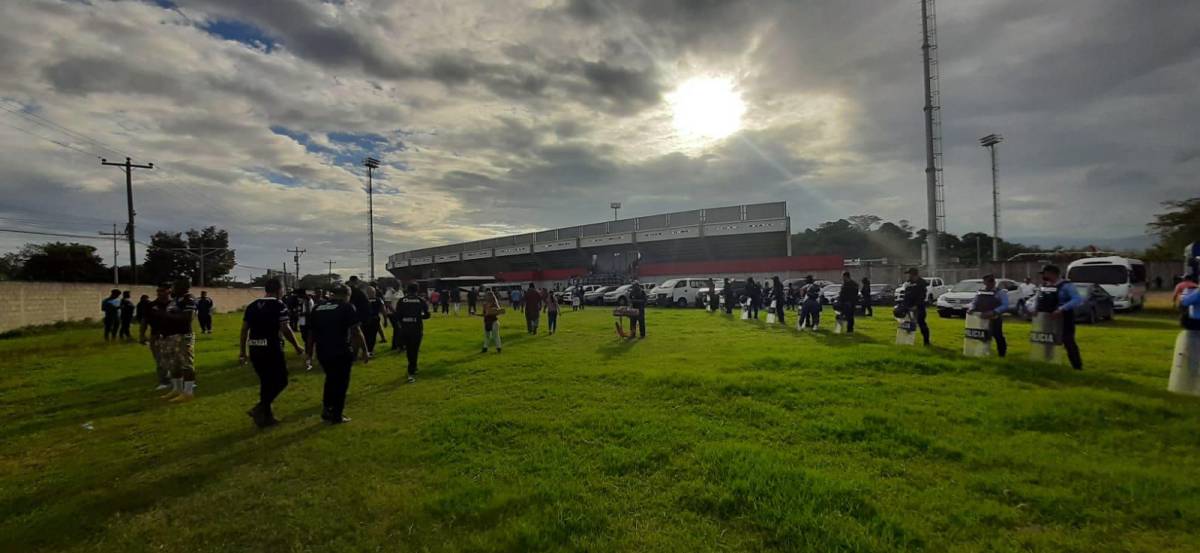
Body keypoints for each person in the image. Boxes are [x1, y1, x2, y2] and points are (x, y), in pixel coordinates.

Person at [239, 278, 304, 428]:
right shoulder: (278, 304)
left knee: (266, 382)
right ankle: (260, 407)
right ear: (279, 290)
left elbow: (244, 330)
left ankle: (266, 418)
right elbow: (285, 328)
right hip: (271, 347)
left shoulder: (252, 306)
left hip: (254, 347)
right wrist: (297, 346)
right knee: (282, 380)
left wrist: (242, 351)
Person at [305, 284, 368, 424]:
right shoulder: (347, 307)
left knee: (330, 379)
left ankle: (327, 409)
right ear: (347, 294)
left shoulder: (318, 307)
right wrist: (365, 350)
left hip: (322, 351)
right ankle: (337, 415)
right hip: (341, 350)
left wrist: (309, 353)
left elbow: (311, 334)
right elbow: (356, 331)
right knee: (341, 383)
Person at [1031, 264, 1084, 370]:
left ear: (1052, 273)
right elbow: (1038, 299)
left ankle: (1077, 366)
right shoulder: (1044, 286)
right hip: (1046, 317)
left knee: (1068, 342)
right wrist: (1034, 308)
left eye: (1044, 273)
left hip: (1064, 317)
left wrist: (1062, 309)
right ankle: (1048, 362)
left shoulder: (1067, 285)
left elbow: (1077, 299)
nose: (1043, 276)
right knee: (1047, 340)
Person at [159, 280, 198, 401]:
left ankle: (188, 392)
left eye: (174, 287)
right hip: (171, 336)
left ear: (182, 287)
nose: (172, 289)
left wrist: (167, 316)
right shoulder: (175, 300)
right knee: (174, 364)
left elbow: (187, 318)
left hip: (183, 335)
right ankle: (177, 389)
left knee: (186, 364)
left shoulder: (188, 299)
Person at [394, 284, 431, 383]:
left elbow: (397, 316)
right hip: (416, 328)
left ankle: (412, 366)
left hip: (405, 328)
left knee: (409, 349)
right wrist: (419, 317)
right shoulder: (420, 300)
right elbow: (427, 315)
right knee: (414, 349)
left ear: (407, 290)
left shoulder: (401, 301)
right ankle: (412, 369)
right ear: (417, 290)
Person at [138, 284, 172, 390]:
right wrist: (142, 335)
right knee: (160, 360)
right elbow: (144, 321)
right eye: (158, 291)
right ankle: (164, 381)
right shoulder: (151, 305)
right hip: (156, 335)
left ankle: (178, 379)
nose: (160, 293)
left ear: (169, 291)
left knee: (175, 359)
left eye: (162, 291)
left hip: (173, 335)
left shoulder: (175, 304)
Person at [968, 274, 1009, 357]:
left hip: (994, 317)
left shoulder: (1000, 292)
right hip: (982, 318)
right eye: (988, 281)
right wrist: (971, 308)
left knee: (997, 335)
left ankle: (1002, 354)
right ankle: (983, 352)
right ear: (984, 282)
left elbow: (1005, 305)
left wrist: (994, 312)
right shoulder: (980, 292)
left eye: (992, 281)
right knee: (983, 335)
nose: (991, 283)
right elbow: (974, 302)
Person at [900, 268, 930, 345]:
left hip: (918, 308)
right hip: (908, 307)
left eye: (909, 274)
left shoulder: (921, 283)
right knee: (906, 324)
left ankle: (926, 341)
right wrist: (903, 305)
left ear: (913, 274)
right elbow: (906, 295)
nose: (908, 276)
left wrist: (916, 305)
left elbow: (922, 296)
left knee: (921, 323)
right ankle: (906, 341)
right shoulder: (908, 283)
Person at [362, 286, 386, 357]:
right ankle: (370, 351)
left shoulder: (364, 300)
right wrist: (385, 319)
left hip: (365, 320)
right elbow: (383, 310)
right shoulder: (379, 299)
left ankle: (366, 351)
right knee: (372, 336)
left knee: (366, 335)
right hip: (374, 319)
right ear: (374, 292)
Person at [481, 289, 504, 353]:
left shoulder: (495, 304)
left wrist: (493, 311)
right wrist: (475, 314)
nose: (487, 297)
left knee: (495, 335)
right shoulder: (484, 304)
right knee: (487, 336)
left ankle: (498, 348)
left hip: (494, 321)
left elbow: (500, 312)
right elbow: (484, 314)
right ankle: (485, 348)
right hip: (487, 321)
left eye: (488, 296)